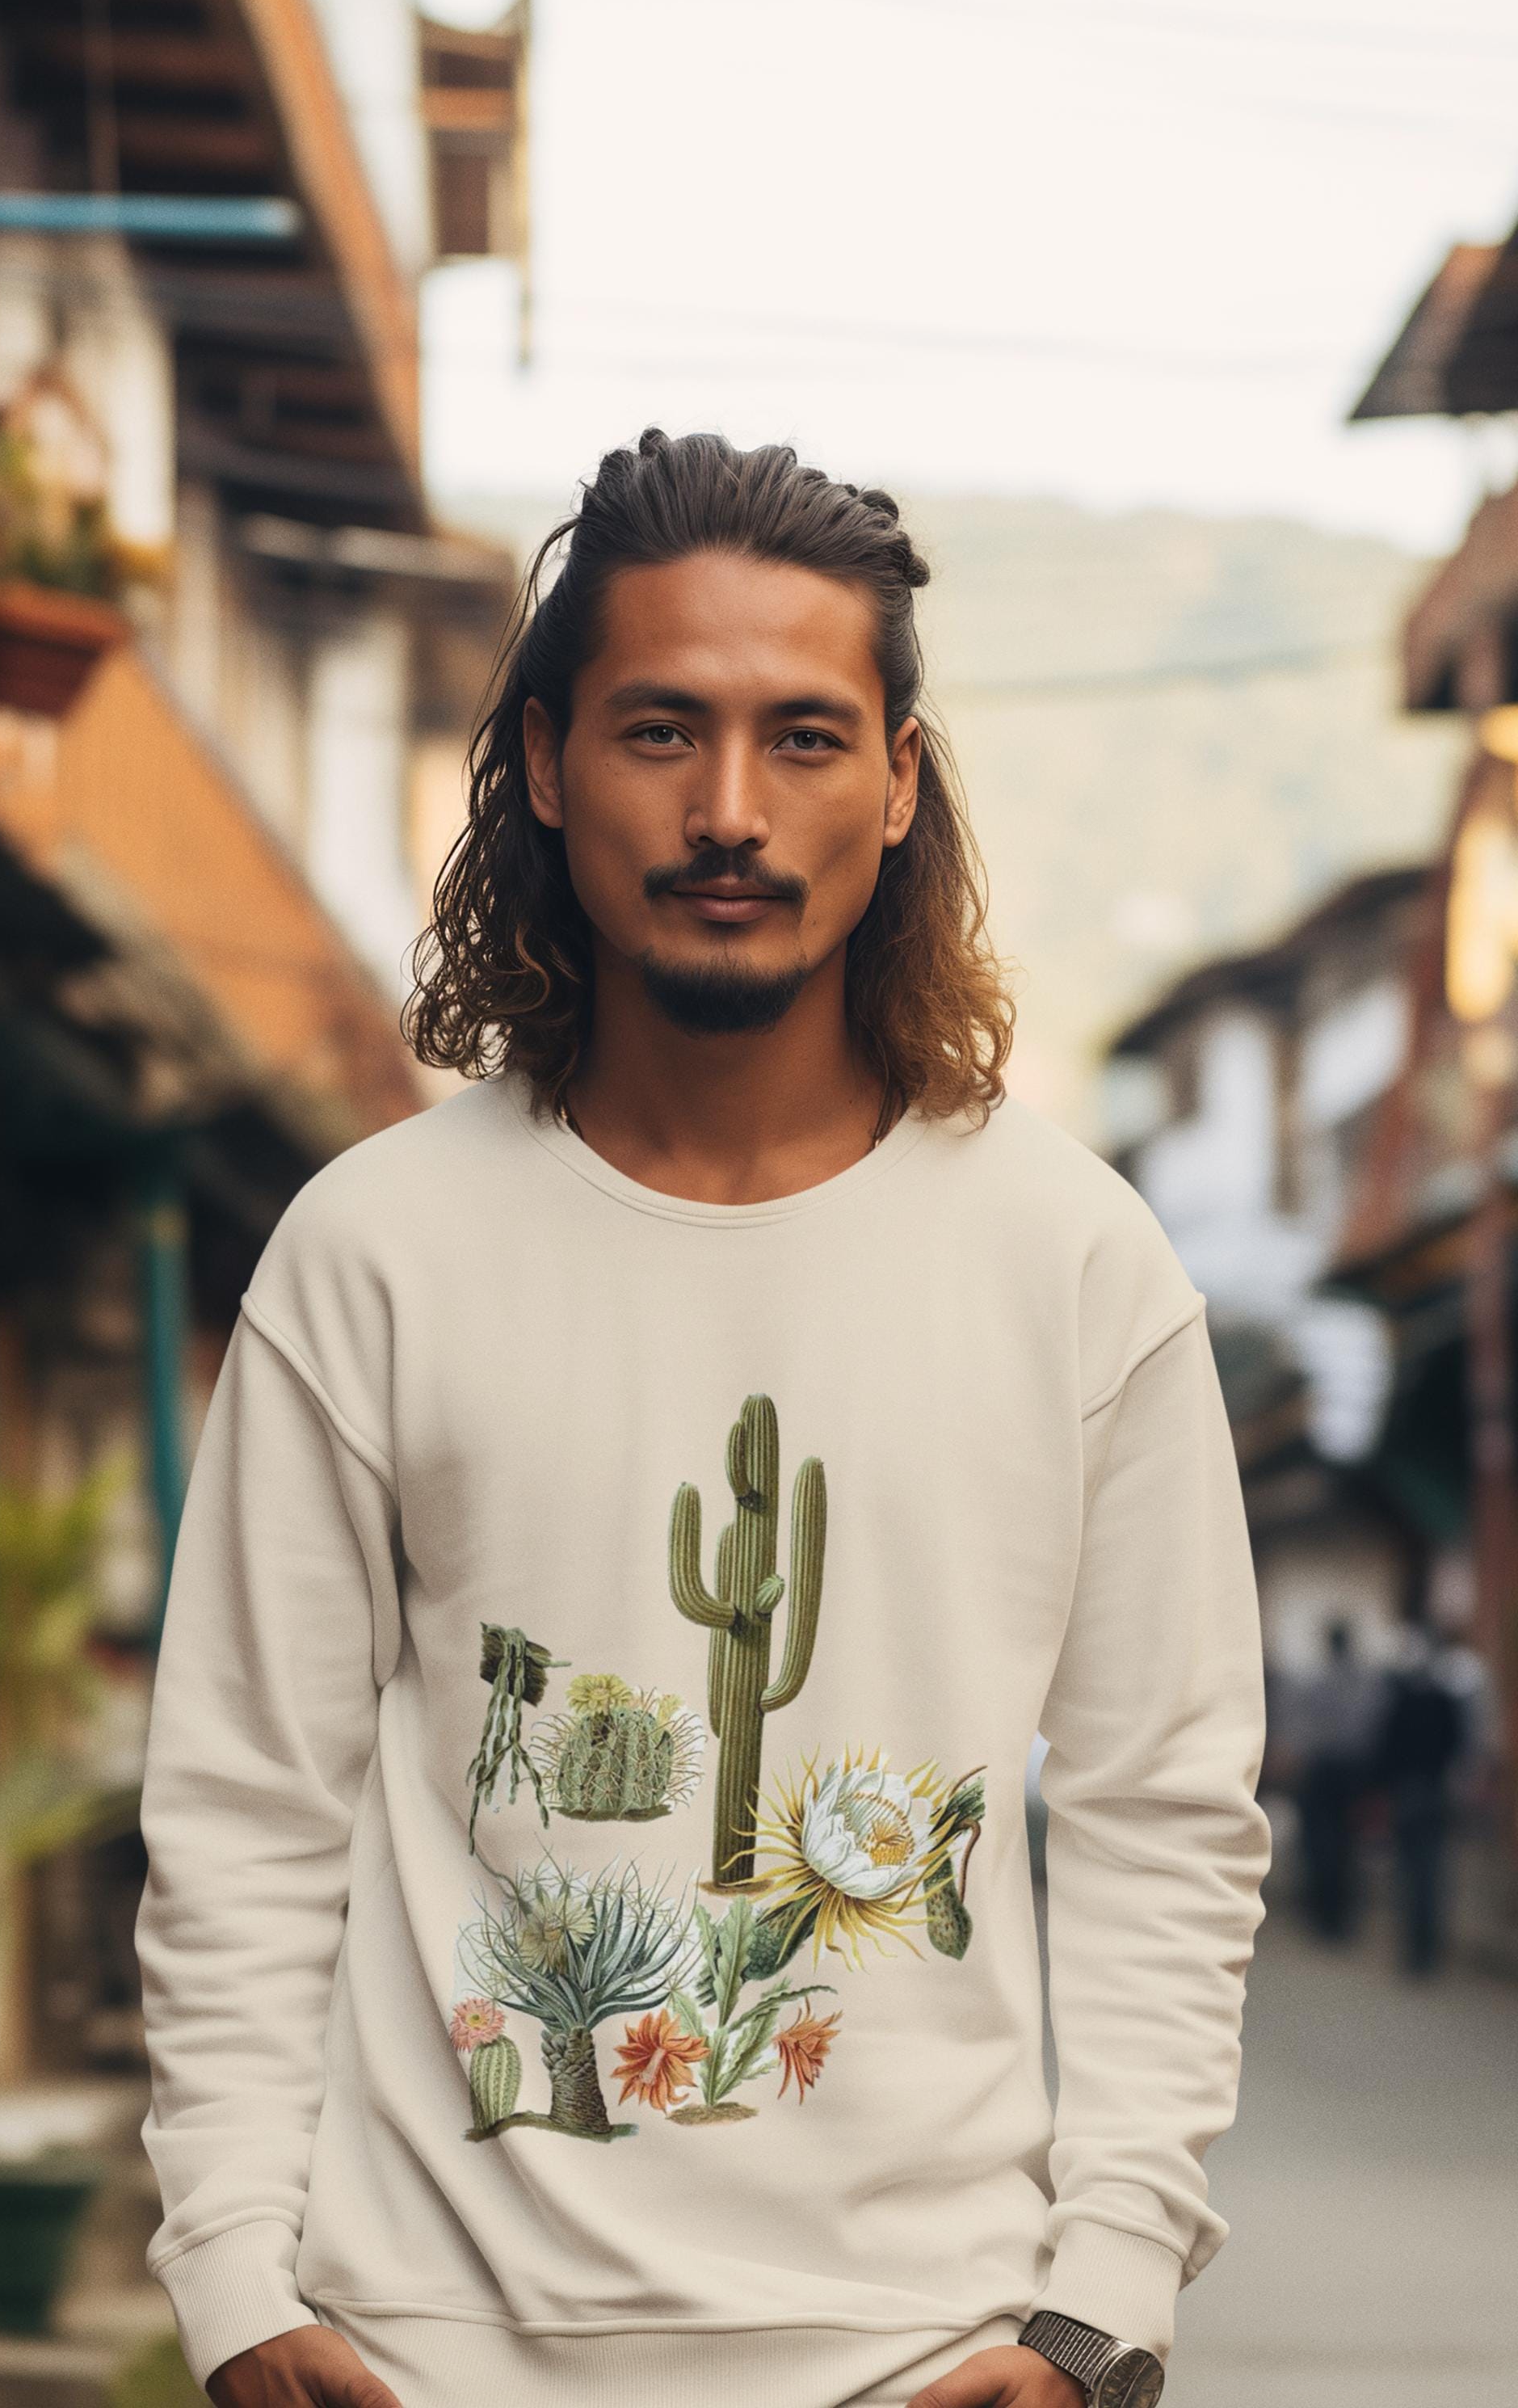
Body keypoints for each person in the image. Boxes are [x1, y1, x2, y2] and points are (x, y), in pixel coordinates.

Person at [134, 431, 1272, 2408]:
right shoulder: (370, 1248)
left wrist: (1096, 2305)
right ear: (551, 763)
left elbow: (1160, 1805)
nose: (729, 809)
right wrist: (236, 2271)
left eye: (805, 737)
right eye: (663, 729)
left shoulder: (1072, 1261)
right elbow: (246, 1799)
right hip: (417, 2353)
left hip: (922, 2358)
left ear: (899, 783)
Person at [1369, 1623, 1471, 1977]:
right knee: (1432, 1873)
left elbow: (1386, 1751)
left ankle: (1415, 1950)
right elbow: (1458, 1745)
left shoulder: (1401, 1701)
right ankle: (1427, 1949)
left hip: (1409, 1794)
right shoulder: (1445, 1700)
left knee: (1410, 1874)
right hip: (1435, 1792)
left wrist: (1381, 1788)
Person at [1284, 1618, 1386, 1944]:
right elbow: (1374, 1727)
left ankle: (1324, 1914)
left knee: (1320, 1843)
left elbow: (1301, 1728)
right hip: (1354, 1771)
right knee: (1348, 1845)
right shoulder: (1367, 1683)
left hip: (1322, 1770)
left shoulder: (1316, 1680)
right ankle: (1343, 1917)